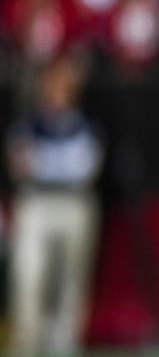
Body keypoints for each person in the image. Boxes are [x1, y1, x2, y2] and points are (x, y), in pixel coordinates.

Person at [6, 49, 105, 357]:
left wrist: (43, 164)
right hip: (38, 203)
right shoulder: (29, 123)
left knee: (71, 281)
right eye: (53, 80)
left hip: (74, 204)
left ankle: (65, 347)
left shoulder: (85, 124)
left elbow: (88, 168)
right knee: (30, 275)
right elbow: (18, 162)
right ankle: (26, 344)